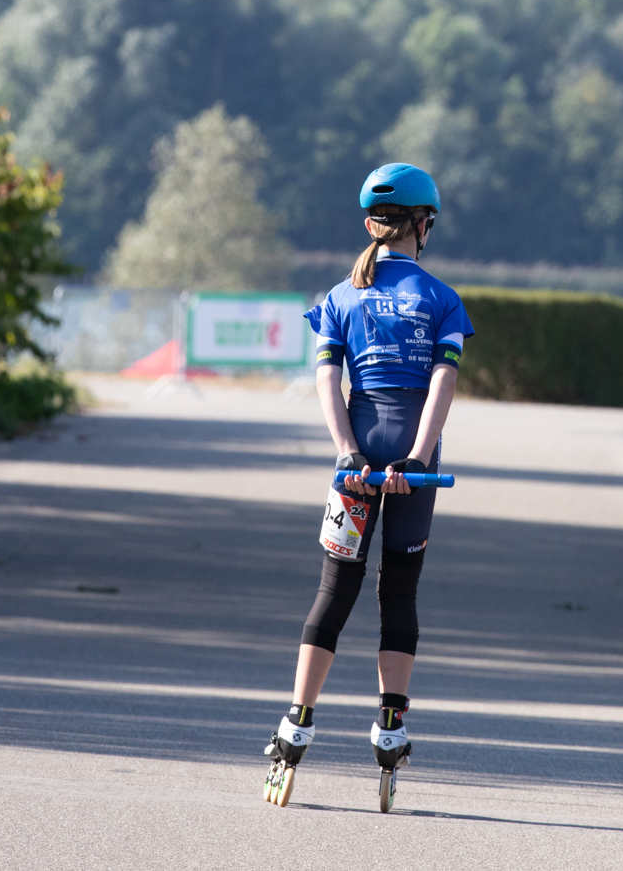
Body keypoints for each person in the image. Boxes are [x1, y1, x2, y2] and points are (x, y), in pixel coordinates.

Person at [260, 163, 473, 812]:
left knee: (335, 589)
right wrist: (416, 457)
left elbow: (327, 380)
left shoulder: (339, 295)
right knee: (398, 590)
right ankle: (390, 726)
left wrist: (347, 450)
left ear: (371, 223)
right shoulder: (442, 299)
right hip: (414, 456)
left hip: (355, 450)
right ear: (423, 224)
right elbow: (443, 383)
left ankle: (296, 721)